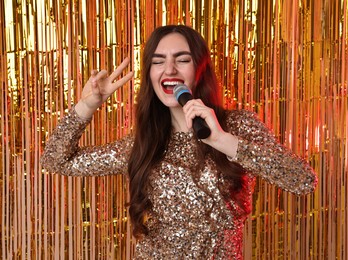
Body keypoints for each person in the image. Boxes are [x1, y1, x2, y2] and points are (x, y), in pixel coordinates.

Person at [41, 25, 317, 259]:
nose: (169, 69)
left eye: (181, 59)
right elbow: (55, 160)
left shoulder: (238, 126)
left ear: (199, 68)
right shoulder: (143, 144)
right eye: (158, 61)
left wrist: (221, 139)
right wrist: (86, 106)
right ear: (150, 74)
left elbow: (303, 180)